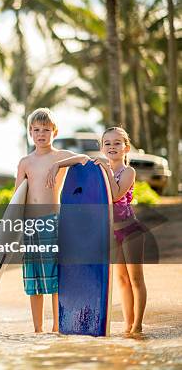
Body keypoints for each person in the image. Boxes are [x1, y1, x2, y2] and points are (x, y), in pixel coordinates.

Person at [49, 126, 146, 334]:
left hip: (130, 231)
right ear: (102, 148)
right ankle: (128, 324)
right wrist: (57, 165)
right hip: (111, 233)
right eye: (107, 143)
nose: (112, 147)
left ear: (126, 148)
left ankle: (137, 324)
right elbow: (80, 158)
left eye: (117, 143)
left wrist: (108, 172)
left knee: (135, 279)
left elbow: (117, 194)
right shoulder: (101, 168)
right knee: (121, 280)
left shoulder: (128, 171)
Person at [18, 108, 89, 333]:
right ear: (30, 132)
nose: (41, 134)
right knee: (34, 281)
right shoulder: (25, 162)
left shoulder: (60, 156)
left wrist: (58, 165)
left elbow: (85, 159)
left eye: (46, 130)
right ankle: (37, 329)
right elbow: (17, 197)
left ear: (54, 132)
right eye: (37, 130)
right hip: (30, 225)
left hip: (53, 222)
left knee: (56, 277)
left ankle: (57, 326)